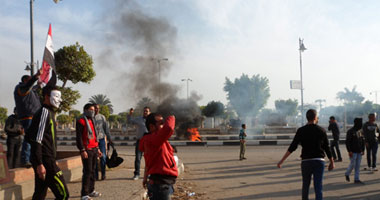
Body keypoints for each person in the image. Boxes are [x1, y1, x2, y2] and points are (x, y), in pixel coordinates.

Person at [277, 109, 334, 200]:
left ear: (307, 118)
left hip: (306, 162)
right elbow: (327, 148)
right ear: (315, 118)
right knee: (318, 187)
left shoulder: (301, 130)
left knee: (305, 186)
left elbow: (293, 147)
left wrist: (281, 161)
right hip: (319, 161)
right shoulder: (321, 130)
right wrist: (332, 162)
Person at [28, 86, 69, 200]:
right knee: (63, 194)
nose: (59, 100)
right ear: (46, 97)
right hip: (46, 162)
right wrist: (40, 163)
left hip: (45, 160)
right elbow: (37, 140)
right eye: (56, 96)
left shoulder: (48, 113)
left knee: (40, 194)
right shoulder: (44, 113)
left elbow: (29, 136)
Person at [140, 113, 178, 200]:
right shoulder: (154, 139)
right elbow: (169, 128)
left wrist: (145, 178)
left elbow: (148, 162)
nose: (164, 125)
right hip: (161, 187)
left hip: (161, 185)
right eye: (161, 123)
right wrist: (171, 115)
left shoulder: (152, 139)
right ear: (152, 127)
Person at [14, 69, 43, 168]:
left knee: (33, 138)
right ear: (26, 81)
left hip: (32, 116)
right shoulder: (21, 88)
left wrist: (38, 84)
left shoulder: (29, 90)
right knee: (29, 138)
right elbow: (29, 86)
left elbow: (33, 88)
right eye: (30, 80)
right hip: (28, 116)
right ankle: (25, 159)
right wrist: (36, 76)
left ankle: (30, 158)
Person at [76, 103, 102, 200]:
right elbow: (78, 138)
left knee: (93, 171)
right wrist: (82, 150)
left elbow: (95, 136)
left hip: (94, 149)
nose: (93, 111)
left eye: (94, 109)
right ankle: (84, 193)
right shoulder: (81, 121)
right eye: (91, 109)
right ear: (85, 110)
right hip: (87, 150)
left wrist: (98, 148)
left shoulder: (93, 121)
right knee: (87, 171)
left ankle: (91, 190)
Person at [128, 107, 150, 180]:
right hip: (140, 141)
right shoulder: (138, 119)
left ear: (149, 112)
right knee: (138, 158)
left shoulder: (151, 120)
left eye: (147, 111)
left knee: (149, 158)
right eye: (144, 111)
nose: (145, 112)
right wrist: (130, 114)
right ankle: (137, 174)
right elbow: (130, 121)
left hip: (149, 142)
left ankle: (149, 174)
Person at [94, 104, 113, 181]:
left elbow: (106, 129)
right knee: (95, 158)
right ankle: (95, 175)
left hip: (101, 139)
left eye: (98, 108)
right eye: (95, 108)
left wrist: (109, 139)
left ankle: (103, 174)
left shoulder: (102, 117)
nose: (97, 110)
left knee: (103, 157)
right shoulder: (89, 118)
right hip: (93, 140)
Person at [345, 118, 365, 184]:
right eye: (360, 123)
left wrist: (363, 149)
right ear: (356, 123)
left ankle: (356, 179)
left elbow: (362, 141)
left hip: (359, 151)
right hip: (353, 151)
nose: (361, 124)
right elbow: (347, 142)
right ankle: (347, 173)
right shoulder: (350, 131)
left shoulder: (360, 131)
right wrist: (349, 151)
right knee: (353, 164)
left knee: (358, 166)